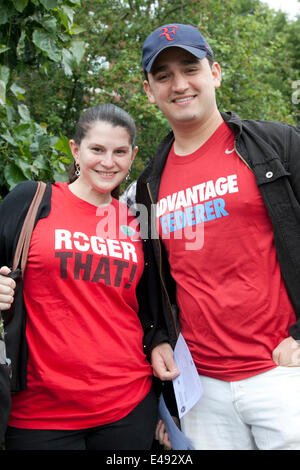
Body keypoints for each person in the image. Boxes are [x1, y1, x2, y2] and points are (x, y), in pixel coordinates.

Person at [135, 23, 300, 450]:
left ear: (216, 73)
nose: (180, 84)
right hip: (202, 388)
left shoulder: (277, 146)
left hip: (283, 374)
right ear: (149, 90)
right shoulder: (148, 186)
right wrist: (157, 338)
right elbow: (152, 279)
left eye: (190, 68)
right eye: (164, 75)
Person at [0, 102, 162, 451]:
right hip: (39, 414)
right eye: (97, 149)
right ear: (76, 150)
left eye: (120, 152)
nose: (108, 162)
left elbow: (157, 306)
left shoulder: (139, 220)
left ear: (133, 156)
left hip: (127, 406)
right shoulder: (32, 200)